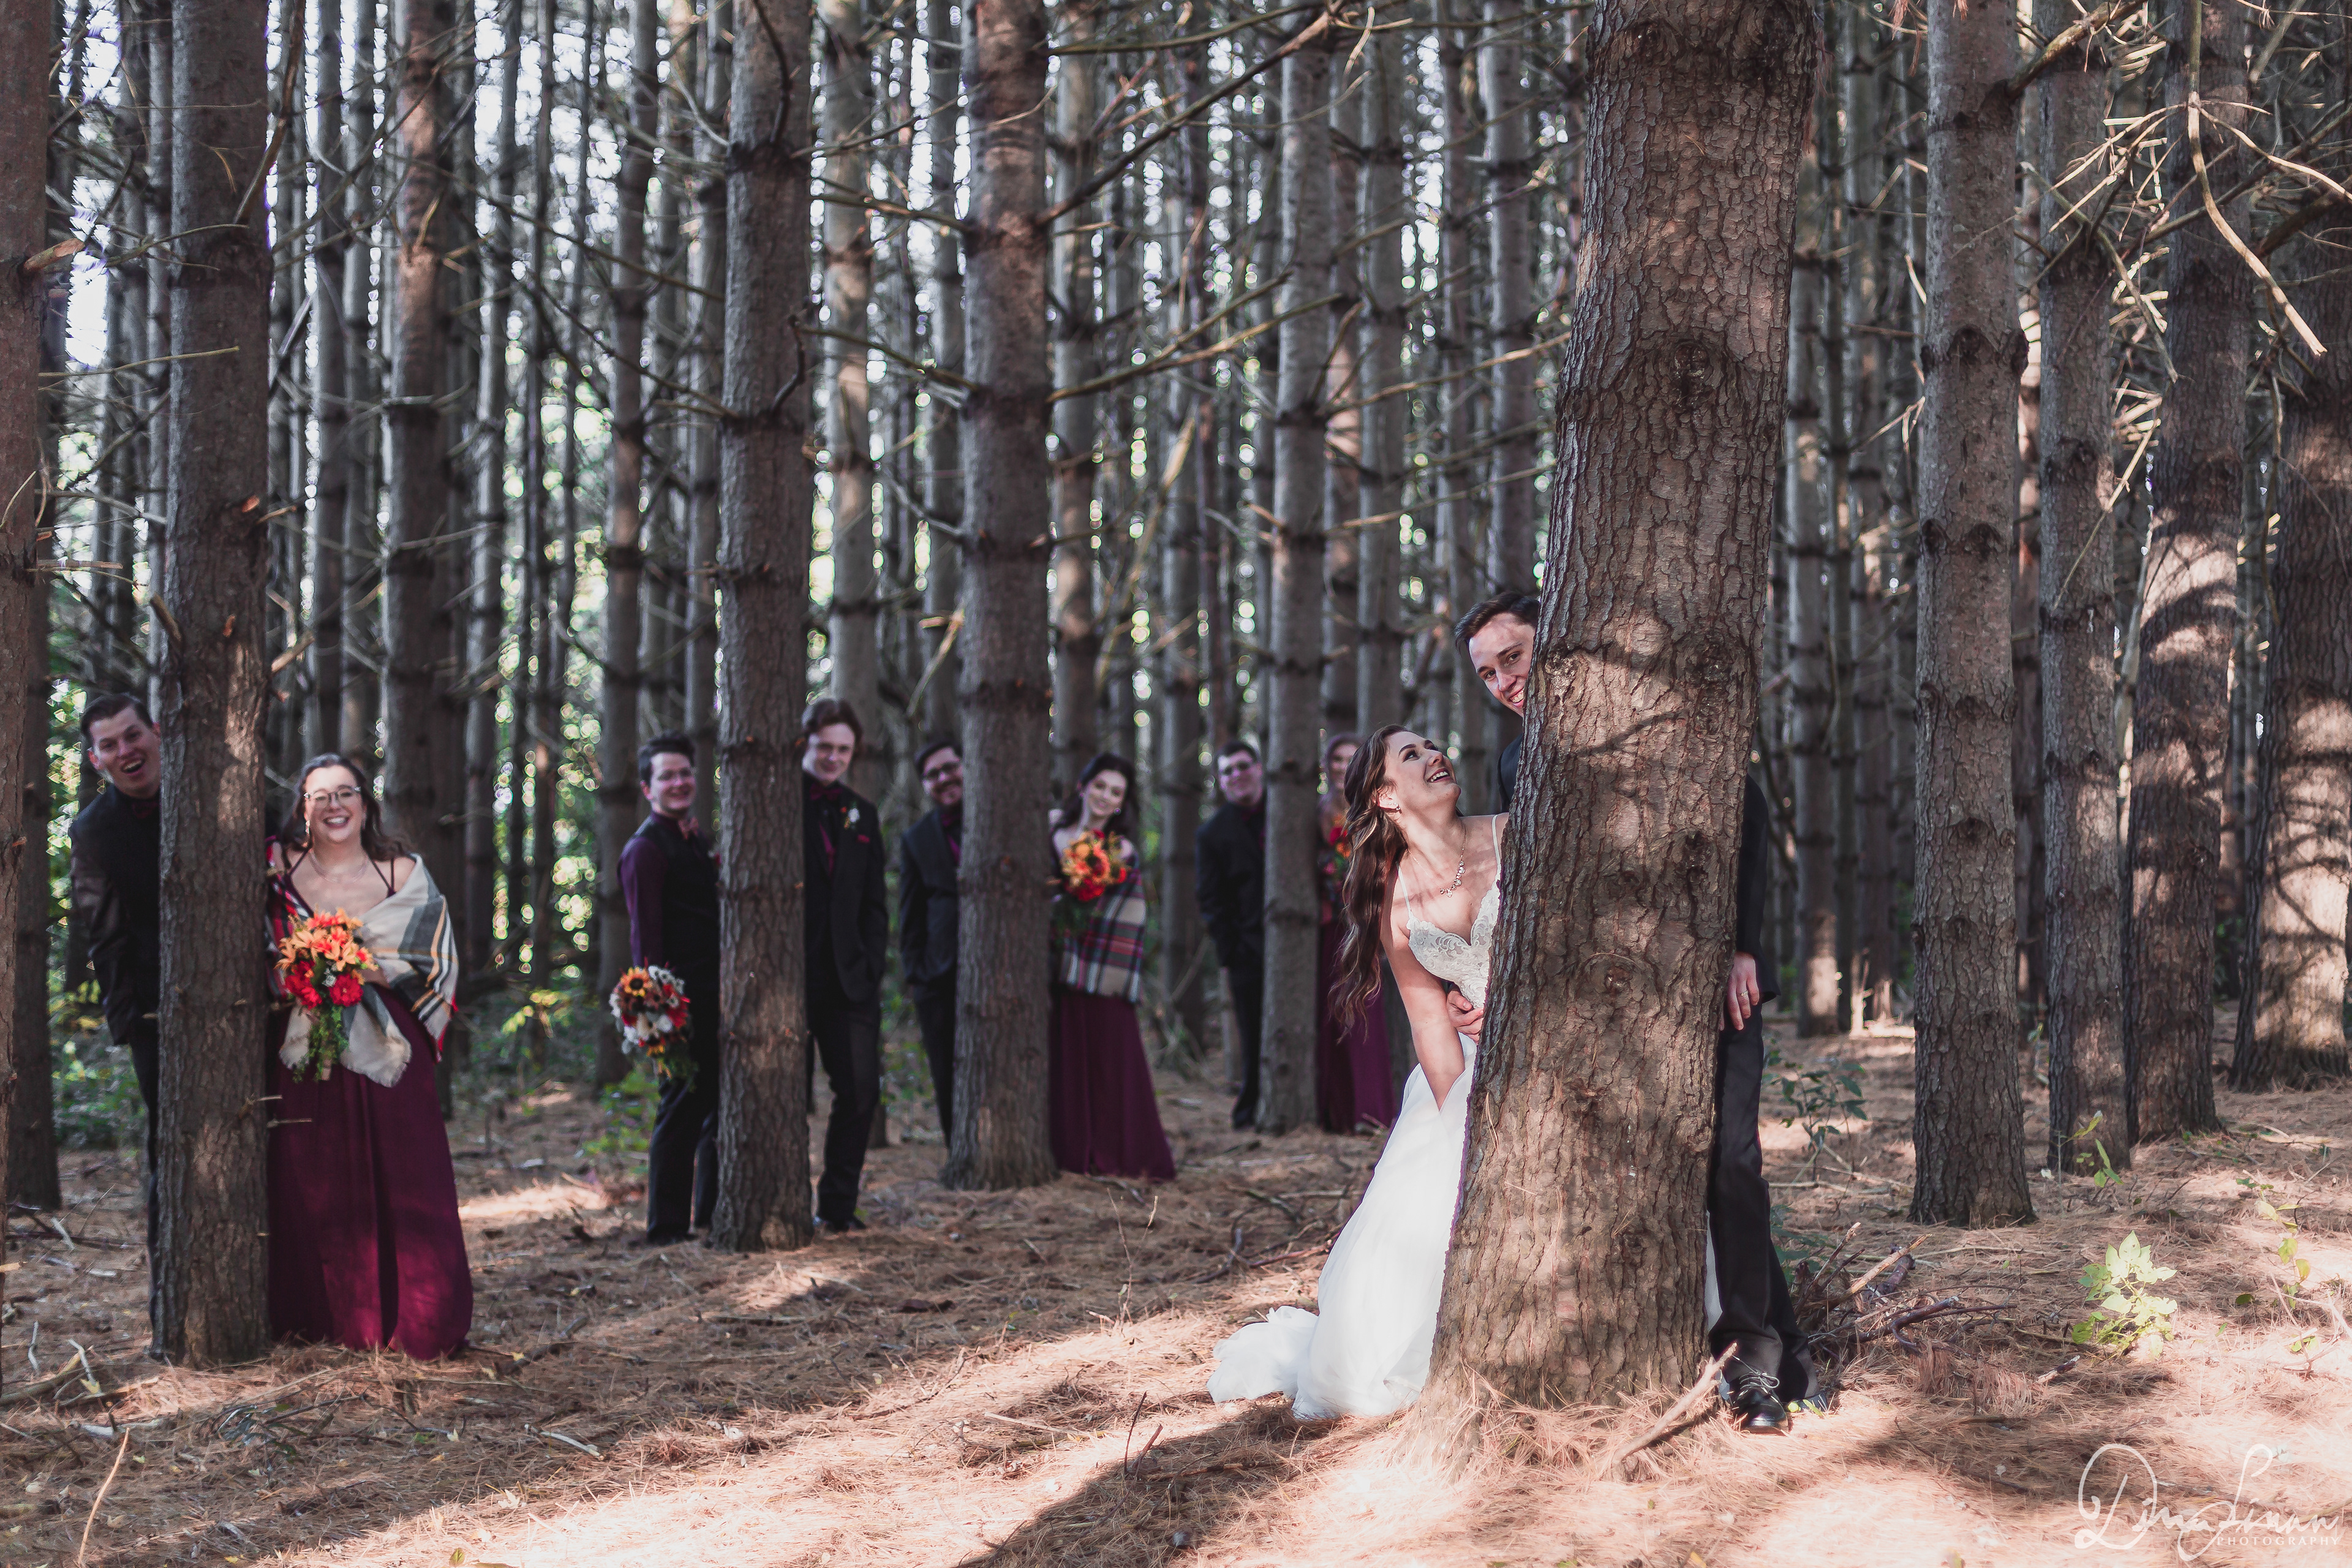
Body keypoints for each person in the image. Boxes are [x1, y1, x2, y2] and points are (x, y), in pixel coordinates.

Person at [1455, 588, 1820, 1431]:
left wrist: (1742, 946)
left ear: (1552, 644)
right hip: (1599, 1006)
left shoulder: (1646, 711)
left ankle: (1759, 1367)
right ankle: (1776, 1351)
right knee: (1659, 1174)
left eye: (1514, 657)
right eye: (1487, 673)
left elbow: (1745, 808)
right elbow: (1515, 889)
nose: (1504, 682)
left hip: (1706, 982)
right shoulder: (1514, 766)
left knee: (1732, 1163)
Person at [1207, 726, 1497, 1415]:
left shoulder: (1514, 833)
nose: (1434, 755)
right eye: (1411, 755)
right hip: (1468, 1069)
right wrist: (1464, 1120)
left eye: (1432, 744)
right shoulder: (1394, 899)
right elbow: (1430, 1024)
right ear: (1386, 797)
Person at [266, 754, 470, 1359]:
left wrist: (358, 965)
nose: (335, 806)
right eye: (320, 796)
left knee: (405, 1172)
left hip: (391, 1051)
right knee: (312, 1175)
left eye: (346, 792)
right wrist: (308, 970)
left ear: (366, 802)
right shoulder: (278, 871)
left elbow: (436, 961)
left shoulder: (402, 873)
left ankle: (416, 1318)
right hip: (305, 1049)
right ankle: (320, 1319)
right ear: (302, 809)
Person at [67, 694, 166, 1343]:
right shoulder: (92, 830)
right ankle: (169, 1301)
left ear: (155, 732)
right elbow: (102, 934)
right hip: (155, 1015)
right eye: (110, 744)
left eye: (133, 735)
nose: (126, 751)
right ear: (96, 759)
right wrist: (129, 1023)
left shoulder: (216, 794)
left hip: (253, 1000)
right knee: (168, 1152)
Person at [1047, 753, 1175, 1181]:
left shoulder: (1121, 851)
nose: (1105, 797)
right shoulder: (1051, 829)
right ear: (1082, 787)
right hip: (1052, 971)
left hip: (1102, 972)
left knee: (1110, 1066)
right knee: (1066, 1063)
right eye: (1100, 786)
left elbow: (1128, 914)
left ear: (1122, 804)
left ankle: (1124, 1155)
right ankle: (1069, 1152)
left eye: (1116, 792)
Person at [619, 732, 722, 1245]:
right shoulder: (644, 850)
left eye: (685, 773)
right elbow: (646, 939)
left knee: (715, 1109)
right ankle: (665, 1227)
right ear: (647, 788)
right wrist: (658, 1015)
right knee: (680, 1110)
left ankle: (711, 1215)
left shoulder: (694, 840)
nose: (679, 783)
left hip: (715, 994)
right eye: (667, 776)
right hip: (676, 1005)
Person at [802, 699, 888, 1234]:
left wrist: (871, 964)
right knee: (784, 1096)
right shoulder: (775, 802)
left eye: (843, 749)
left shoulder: (863, 813)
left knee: (860, 1092)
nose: (834, 757)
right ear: (805, 744)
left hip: (850, 978)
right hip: (791, 975)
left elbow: (874, 901)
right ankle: (782, 1202)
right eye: (824, 747)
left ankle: (836, 1207)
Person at [1315, 733, 1396, 1132]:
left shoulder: (1375, 810)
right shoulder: (1319, 812)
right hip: (1331, 927)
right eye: (1336, 759)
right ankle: (1337, 1112)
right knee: (1333, 1013)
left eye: (1350, 759)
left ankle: (1371, 1110)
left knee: (1367, 1012)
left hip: (1367, 924)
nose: (1342, 766)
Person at [1195, 740, 1266, 1129]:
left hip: (1301, 943)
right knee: (1252, 1030)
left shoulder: (1286, 813)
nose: (1236, 775)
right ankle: (1250, 1108)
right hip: (1246, 950)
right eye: (1227, 771)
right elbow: (1210, 899)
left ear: (1258, 768)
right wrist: (1232, 952)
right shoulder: (1212, 833)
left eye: (1243, 766)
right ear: (1221, 783)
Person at [898, 738, 963, 1137]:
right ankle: (959, 1150)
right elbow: (910, 914)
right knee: (946, 1070)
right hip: (938, 975)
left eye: (950, 768)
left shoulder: (1001, 818)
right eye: (933, 775)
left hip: (1004, 966)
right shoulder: (916, 839)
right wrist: (918, 974)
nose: (944, 779)